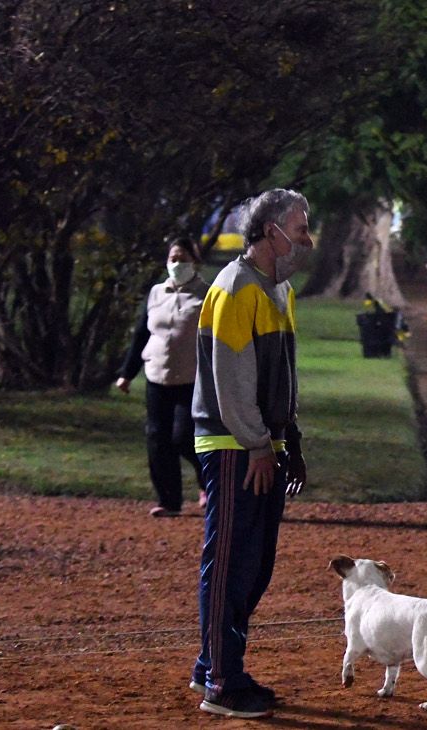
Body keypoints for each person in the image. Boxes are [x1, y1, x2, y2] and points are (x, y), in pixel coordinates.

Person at [191, 189, 311, 719]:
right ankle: (222, 681)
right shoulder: (237, 288)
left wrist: (291, 438)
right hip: (235, 444)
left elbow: (280, 376)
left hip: (263, 442)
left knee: (255, 565)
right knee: (231, 564)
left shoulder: (278, 290)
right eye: (300, 228)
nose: (306, 238)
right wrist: (259, 443)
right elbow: (232, 381)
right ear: (270, 233)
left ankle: (214, 662)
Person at [115, 240, 209, 517]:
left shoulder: (208, 294)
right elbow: (141, 335)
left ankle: (208, 482)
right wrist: (126, 374)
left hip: (192, 378)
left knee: (183, 437)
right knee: (157, 438)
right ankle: (168, 501)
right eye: (173, 258)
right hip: (157, 376)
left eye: (183, 257)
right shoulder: (156, 293)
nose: (177, 263)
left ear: (195, 262)